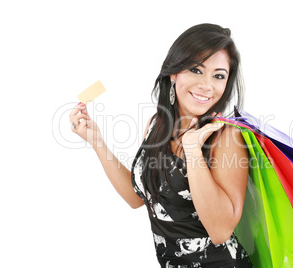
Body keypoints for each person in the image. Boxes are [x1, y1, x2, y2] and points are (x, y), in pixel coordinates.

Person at [69, 23, 253, 268]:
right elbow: (140, 198)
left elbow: (220, 231)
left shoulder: (226, 137)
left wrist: (192, 150)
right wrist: (97, 142)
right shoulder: (157, 125)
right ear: (174, 72)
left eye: (218, 75)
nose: (207, 85)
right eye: (196, 70)